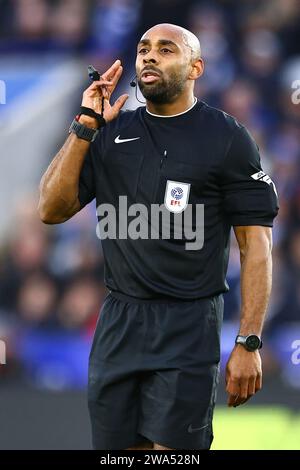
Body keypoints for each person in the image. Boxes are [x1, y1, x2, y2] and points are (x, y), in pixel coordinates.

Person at [38, 23, 279, 450]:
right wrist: (85, 124)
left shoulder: (227, 138)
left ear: (195, 68)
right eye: (144, 48)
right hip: (118, 322)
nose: (149, 56)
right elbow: (51, 210)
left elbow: (255, 244)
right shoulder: (110, 132)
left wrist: (248, 340)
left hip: (187, 323)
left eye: (165, 50)